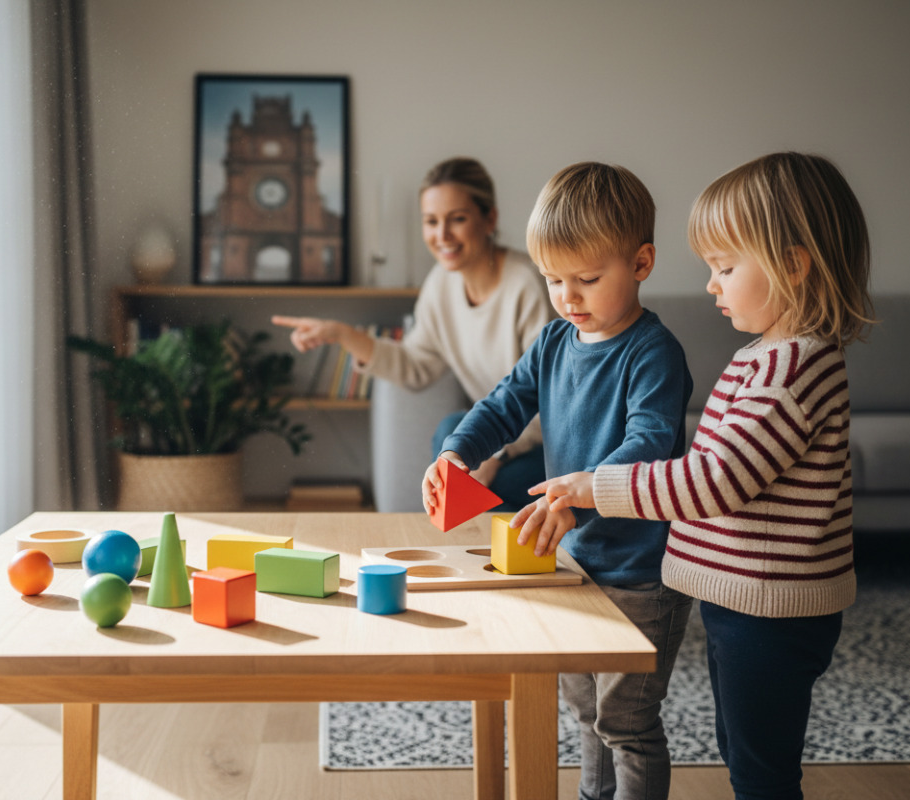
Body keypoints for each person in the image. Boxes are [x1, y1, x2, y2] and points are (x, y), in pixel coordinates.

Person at [528, 152, 874, 800]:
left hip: (766, 611)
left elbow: (712, 481)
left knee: (760, 771)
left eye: (724, 267)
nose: (712, 285)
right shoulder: (764, 357)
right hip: (740, 600)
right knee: (745, 752)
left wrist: (592, 487)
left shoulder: (789, 370)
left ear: (792, 265)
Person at [423, 162, 695, 800]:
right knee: (583, 713)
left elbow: (648, 443)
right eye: (552, 280)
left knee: (626, 722)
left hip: (642, 573)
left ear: (642, 262)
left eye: (587, 279)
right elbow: (503, 404)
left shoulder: (653, 352)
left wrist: (582, 492)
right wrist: (459, 451)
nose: (568, 297)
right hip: (571, 565)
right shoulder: (553, 341)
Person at [272, 157, 553, 510]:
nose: (442, 236)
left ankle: (493, 546)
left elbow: (547, 401)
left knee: (492, 484)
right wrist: (343, 335)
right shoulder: (440, 284)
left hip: (547, 444)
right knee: (451, 431)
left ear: (490, 219)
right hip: (497, 437)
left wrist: (493, 456)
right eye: (431, 222)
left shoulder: (526, 285)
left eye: (458, 219)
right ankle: (480, 542)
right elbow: (416, 366)